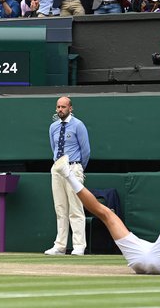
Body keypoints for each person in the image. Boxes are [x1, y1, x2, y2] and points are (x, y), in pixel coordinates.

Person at [44, 96, 90, 256]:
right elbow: (53, 147)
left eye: (63, 107)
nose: (60, 110)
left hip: (73, 167)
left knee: (76, 208)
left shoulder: (78, 125)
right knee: (60, 208)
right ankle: (60, 245)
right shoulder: (53, 127)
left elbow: (86, 150)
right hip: (57, 169)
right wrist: (59, 165)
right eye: (58, 107)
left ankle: (79, 246)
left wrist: (78, 168)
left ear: (71, 108)